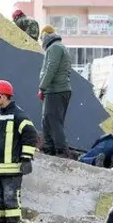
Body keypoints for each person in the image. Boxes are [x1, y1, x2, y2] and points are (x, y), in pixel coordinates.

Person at [0, 80, 38, 223]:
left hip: (12, 168)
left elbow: (31, 135)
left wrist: (26, 158)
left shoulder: (18, 115)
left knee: (10, 199)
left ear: (3, 96)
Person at [38, 25, 72, 158]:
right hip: (55, 90)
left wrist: (42, 87)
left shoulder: (55, 48)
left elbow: (51, 69)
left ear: (45, 35)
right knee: (48, 120)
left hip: (56, 90)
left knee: (53, 121)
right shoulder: (56, 47)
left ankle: (61, 151)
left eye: (41, 38)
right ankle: (49, 149)